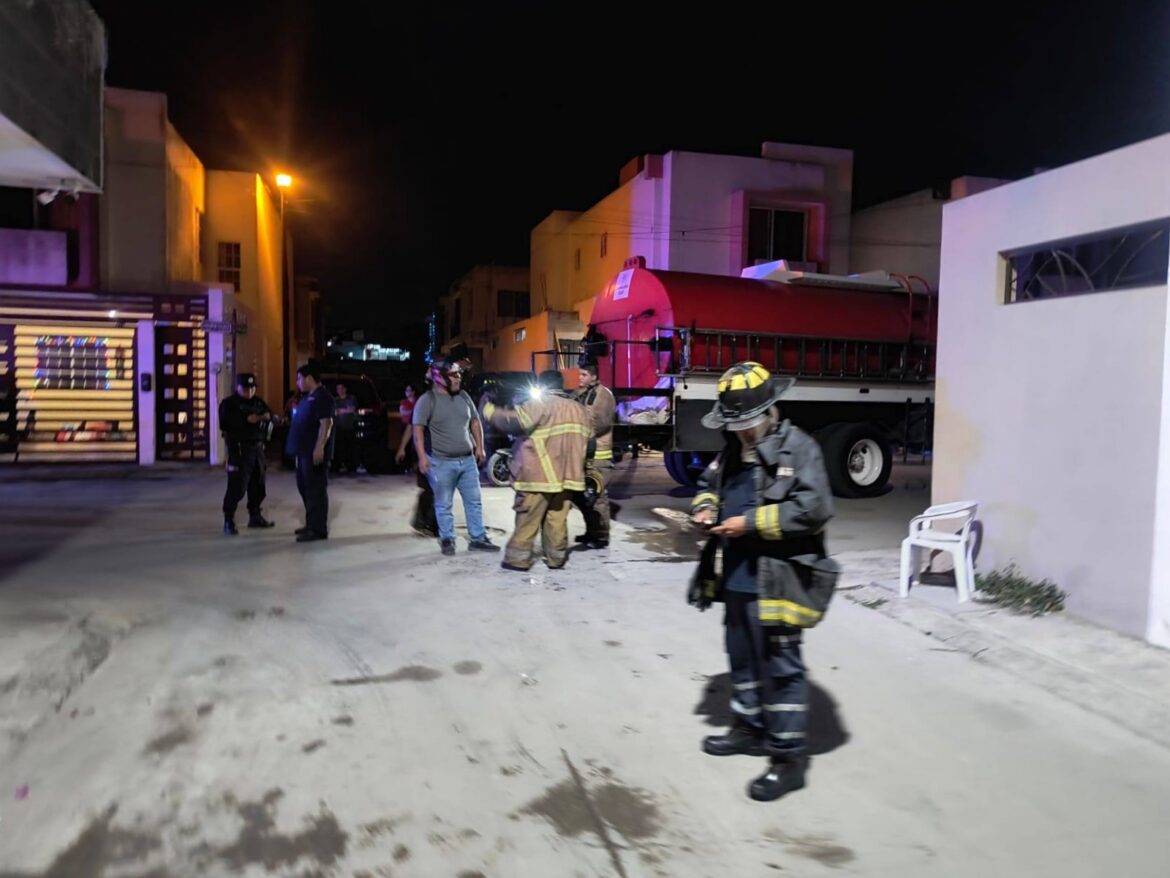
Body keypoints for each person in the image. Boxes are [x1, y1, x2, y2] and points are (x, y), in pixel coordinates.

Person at [688, 361, 836, 802]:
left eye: (747, 425)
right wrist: (705, 508)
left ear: (771, 410)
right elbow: (707, 482)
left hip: (778, 581)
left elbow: (813, 509)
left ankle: (788, 760)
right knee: (742, 659)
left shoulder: (800, 449)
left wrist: (749, 523)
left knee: (783, 668)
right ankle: (748, 728)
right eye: (735, 427)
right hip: (736, 580)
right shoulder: (732, 449)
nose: (742, 434)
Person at [481, 370, 592, 571]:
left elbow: (513, 422)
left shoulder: (540, 404)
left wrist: (488, 410)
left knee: (528, 519)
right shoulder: (580, 409)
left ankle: (517, 559)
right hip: (568, 477)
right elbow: (589, 443)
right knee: (556, 519)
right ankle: (556, 558)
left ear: (542, 386)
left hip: (537, 476)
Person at [411, 358, 499, 556]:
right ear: (439, 377)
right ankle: (447, 539)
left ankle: (477, 538)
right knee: (444, 504)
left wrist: (480, 447)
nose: (459, 379)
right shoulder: (427, 400)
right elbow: (417, 430)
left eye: (459, 374)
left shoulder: (464, 396)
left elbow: (475, 422)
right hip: (441, 462)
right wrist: (422, 458)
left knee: (474, 501)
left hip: (467, 461)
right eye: (454, 375)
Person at [218, 373, 276, 535]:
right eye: (245, 388)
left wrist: (267, 418)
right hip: (239, 450)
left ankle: (255, 516)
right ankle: (229, 520)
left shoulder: (258, 402)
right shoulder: (229, 404)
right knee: (237, 487)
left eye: (252, 388)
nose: (249, 391)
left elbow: (269, 415)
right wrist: (246, 419)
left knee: (258, 485)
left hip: (257, 449)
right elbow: (225, 423)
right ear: (237, 387)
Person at [571, 359, 617, 549]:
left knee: (597, 497)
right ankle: (591, 532)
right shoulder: (582, 394)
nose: (580, 378)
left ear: (594, 377)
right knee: (583, 498)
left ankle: (601, 536)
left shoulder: (603, 395)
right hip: (585, 454)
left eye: (584, 375)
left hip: (598, 456)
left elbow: (597, 424)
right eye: (579, 374)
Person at [289, 364, 334, 542]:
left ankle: (317, 530)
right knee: (305, 489)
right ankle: (310, 524)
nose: (298, 382)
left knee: (316, 490)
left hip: (313, 453)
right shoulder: (308, 397)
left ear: (308, 378)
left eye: (299, 378)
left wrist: (319, 447)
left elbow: (326, 423)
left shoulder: (323, 397)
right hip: (303, 453)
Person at [332, 382, 360, 475]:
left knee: (350, 447)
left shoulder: (351, 398)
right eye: (338, 389)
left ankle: (351, 466)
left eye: (341, 388)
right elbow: (334, 412)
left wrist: (342, 411)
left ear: (345, 389)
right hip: (338, 428)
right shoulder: (335, 400)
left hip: (349, 428)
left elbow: (351, 409)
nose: (339, 391)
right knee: (339, 448)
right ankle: (337, 465)